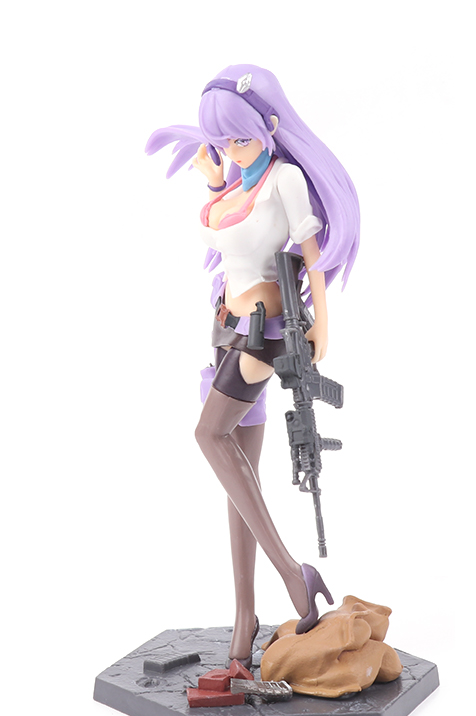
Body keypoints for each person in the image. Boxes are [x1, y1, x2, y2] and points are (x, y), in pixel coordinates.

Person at [146, 65, 360, 667]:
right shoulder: (234, 182)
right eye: (223, 142)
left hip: (263, 334)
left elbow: (311, 256)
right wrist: (218, 180)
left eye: (241, 138)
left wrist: (322, 324)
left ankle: (294, 573)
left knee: (208, 436)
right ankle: (245, 622)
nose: (232, 151)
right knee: (239, 478)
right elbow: (230, 230)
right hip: (224, 327)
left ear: (268, 125)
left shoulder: (285, 179)